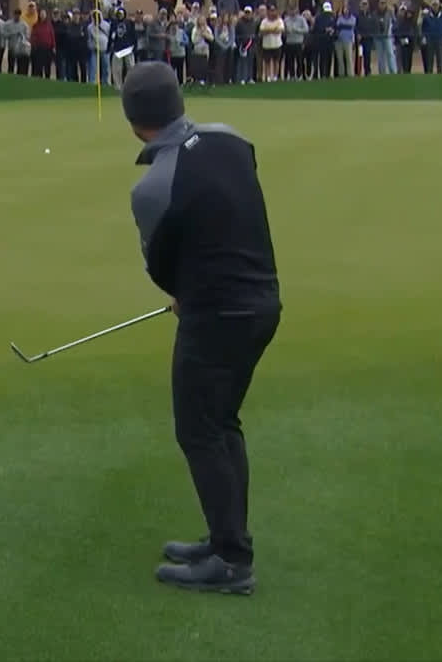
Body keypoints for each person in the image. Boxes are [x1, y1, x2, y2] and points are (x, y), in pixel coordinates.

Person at [120, 61, 282, 595]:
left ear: (132, 119)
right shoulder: (234, 141)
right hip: (262, 304)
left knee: (199, 429)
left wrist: (187, 293)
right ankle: (225, 539)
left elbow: (164, 272)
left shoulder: (152, 189)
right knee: (222, 423)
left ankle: (231, 562)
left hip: (217, 318)